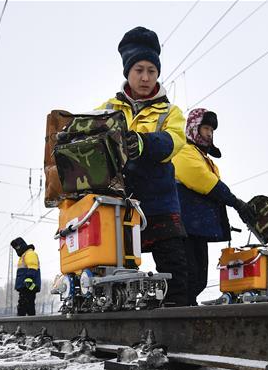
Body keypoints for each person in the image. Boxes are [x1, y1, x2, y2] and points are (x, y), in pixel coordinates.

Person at [96, 26, 189, 307]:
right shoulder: (108, 108)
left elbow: (175, 141)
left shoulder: (169, 112)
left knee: (176, 273)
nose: (146, 77)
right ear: (128, 72)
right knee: (118, 274)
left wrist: (144, 143)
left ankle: (179, 317)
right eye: (139, 69)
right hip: (119, 206)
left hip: (160, 203)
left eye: (152, 70)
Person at [173, 108, 255, 305]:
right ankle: (181, 314)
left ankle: (186, 311)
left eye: (211, 129)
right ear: (194, 128)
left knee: (198, 279)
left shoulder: (202, 157)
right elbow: (206, 182)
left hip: (195, 229)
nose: (209, 133)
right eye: (205, 128)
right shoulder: (184, 152)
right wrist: (236, 203)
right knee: (188, 277)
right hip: (184, 228)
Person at [11, 237, 40, 316]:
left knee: (25, 304)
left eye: (17, 247)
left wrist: (29, 279)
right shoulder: (24, 255)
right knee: (27, 304)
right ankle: (27, 322)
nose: (17, 249)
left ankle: (25, 323)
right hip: (25, 285)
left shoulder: (29, 254)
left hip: (28, 285)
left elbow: (33, 266)